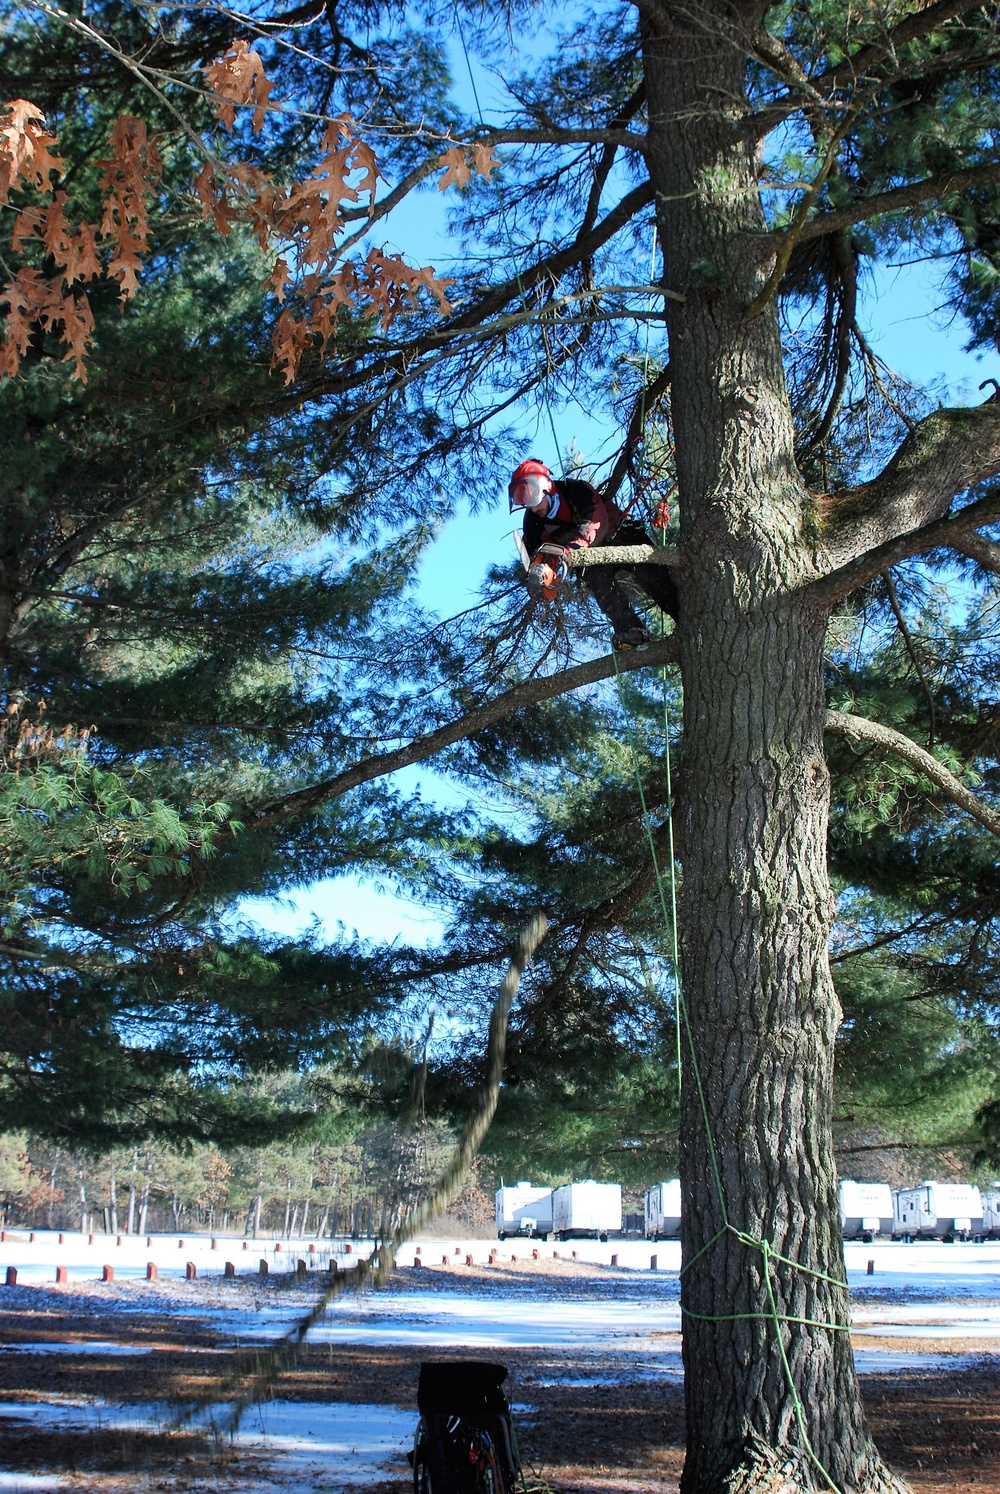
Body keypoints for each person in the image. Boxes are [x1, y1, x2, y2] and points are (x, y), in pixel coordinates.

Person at [507, 458, 679, 649]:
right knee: (597, 581)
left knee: (653, 575)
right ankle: (633, 631)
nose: (533, 508)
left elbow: (596, 522)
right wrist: (538, 577)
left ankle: (685, 611)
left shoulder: (575, 490)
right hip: (591, 562)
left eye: (535, 501)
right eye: (528, 504)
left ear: (547, 489)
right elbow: (537, 557)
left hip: (619, 538)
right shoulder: (533, 522)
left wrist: (571, 550)